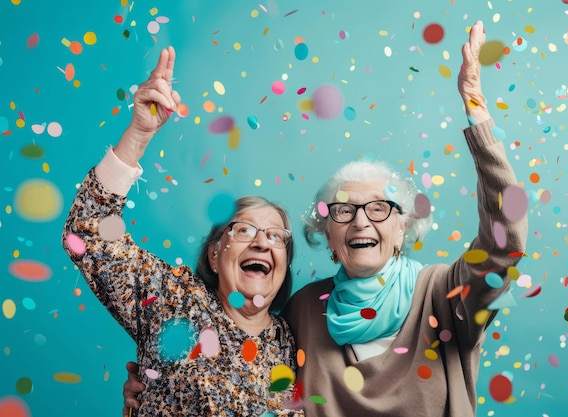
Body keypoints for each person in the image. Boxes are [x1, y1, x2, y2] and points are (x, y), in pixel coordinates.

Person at [122, 20, 529, 416]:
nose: (360, 222)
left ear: (402, 226)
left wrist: (476, 108)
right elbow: (245, 370)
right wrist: (160, 381)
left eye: (379, 208)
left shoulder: (442, 291)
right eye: (344, 211)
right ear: (328, 236)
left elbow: (503, 246)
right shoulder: (304, 311)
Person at [62, 46, 304, 416]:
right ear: (214, 253)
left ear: (286, 261)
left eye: (275, 236)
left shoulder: (296, 344)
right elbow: (89, 232)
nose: (261, 241)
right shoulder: (175, 301)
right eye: (244, 230)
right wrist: (139, 136)